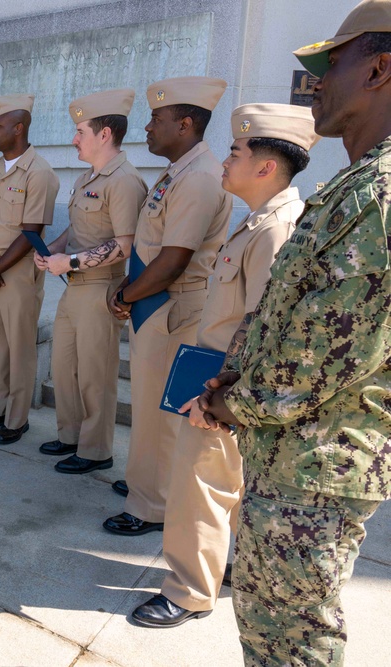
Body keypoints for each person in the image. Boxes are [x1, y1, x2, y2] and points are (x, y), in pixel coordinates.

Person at [197, 2, 391, 661]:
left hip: (314, 478)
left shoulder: (381, 197)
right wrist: (234, 377)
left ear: (380, 69)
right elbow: (282, 315)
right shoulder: (356, 186)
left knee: (292, 646)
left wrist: (227, 398)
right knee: (271, 637)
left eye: (332, 64)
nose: (317, 82)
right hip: (289, 466)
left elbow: (311, 363)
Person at [131, 103, 318, 629]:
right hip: (215, 371)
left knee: (200, 485)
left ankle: (189, 592)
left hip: (223, 381)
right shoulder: (259, 219)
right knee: (226, 483)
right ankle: (224, 568)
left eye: (236, 152)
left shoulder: (275, 229)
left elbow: (261, 328)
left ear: (264, 167)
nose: (225, 160)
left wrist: (217, 396)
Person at [103, 76, 232, 536]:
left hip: (171, 307)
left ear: (186, 123)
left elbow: (174, 259)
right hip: (153, 304)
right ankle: (148, 483)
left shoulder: (197, 178)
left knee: (161, 416)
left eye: (157, 119)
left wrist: (124, 295)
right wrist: (131, 295)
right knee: (147, 410)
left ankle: (152, 506)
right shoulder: (178, 170)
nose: (147, 126)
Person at [34, 89, 146, 474]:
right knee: (65, 368)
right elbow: (79, 229)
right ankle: (70, 435)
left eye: (80, 131)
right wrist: (53, 250)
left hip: (101, 287)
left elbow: (126, 244)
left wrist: (73, 261)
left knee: (95, 374)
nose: (74, 138)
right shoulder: (86, 178)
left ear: (104, 135)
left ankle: (96, 450)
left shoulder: (125, 181)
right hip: (74, 286)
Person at [0, 94, 59, 445]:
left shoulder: (40, 172)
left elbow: (30, 232)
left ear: (18, 129)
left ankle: (17, 419)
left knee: (20, 346)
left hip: (17, 269)